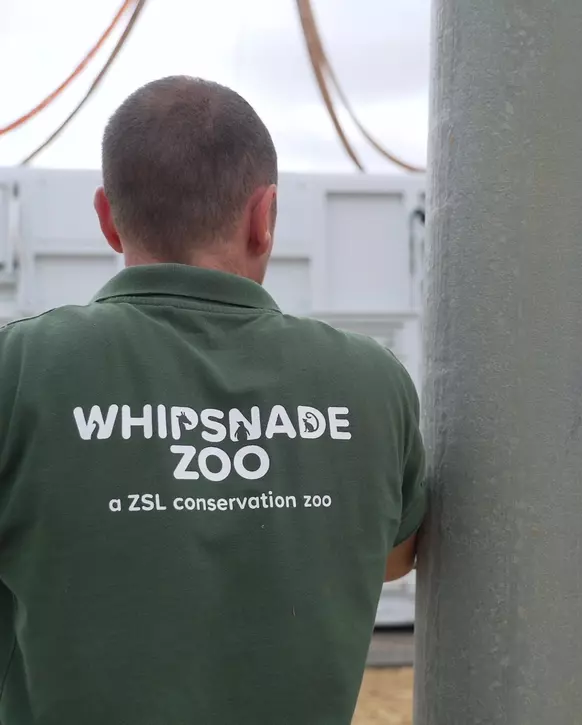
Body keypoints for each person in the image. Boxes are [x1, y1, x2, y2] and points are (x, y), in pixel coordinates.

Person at [0, 76, 427, 725]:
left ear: (108, 218)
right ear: (264, 216)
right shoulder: (373, 381)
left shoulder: (20, 368)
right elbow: (392, 559)